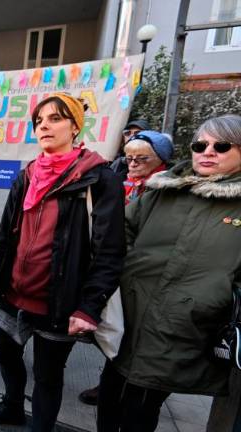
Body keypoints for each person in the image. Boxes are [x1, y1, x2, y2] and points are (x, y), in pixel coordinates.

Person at [0, 94, 125, 430]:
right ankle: (11, 406)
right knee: (8, 359)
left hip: (58, 304)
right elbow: (5, 237)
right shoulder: (28, 175)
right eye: (39, 120)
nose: (44, 125)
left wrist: (88, 307)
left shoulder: (99, 179)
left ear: (75, 126)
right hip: (11, 297)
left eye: (56, 118)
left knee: (47, 376)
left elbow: (109, 252)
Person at [97, 114, 241, 432]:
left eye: (222, 145)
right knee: (109, 396)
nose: (208, 151)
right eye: (200, 144)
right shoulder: (165, 191)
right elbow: (119, 235)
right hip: (130, 318)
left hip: (184, 331)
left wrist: (211, 298)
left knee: (141, 408)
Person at [77, 129, 174, 406]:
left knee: (133, 336)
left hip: (145, 277)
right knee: (117, 331)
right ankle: (111, 384)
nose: (132, 163)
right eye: (129, 157)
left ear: (160, 159)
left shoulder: (164, 189)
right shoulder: (122, 183)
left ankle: (125, 389)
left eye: (140, 158)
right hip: (117, 270)